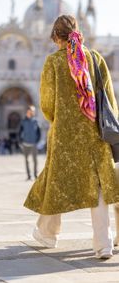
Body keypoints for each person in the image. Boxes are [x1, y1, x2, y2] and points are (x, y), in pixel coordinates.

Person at [24, 15, 119, 259]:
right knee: (98, 186)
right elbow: (110, 98)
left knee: (57, 183)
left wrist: (61, 119)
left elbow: (46, 104)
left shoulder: (54, 62)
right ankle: (103, 244)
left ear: (56, 36)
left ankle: (48, 233)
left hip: (64, 135)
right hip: (96, 133)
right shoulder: (95, 58)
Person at [18, 106, 41, 180]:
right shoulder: (23, 121)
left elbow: (39, 132)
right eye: (30, 111)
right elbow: (20, 132)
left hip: (34, 144)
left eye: (33, 111)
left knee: (35, 160)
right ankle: (29, 175)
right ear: (27, 111)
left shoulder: (36, 121)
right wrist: (21, 141)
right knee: (26, 160)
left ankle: (35, 174)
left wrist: (37, 140)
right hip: (25, 144)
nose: (32, 112)